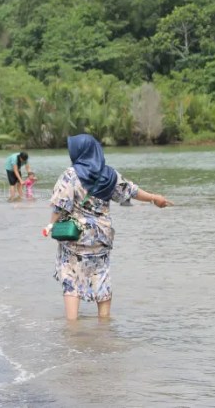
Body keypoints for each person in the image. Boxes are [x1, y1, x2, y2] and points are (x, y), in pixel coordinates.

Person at [43, 134, 173, 320]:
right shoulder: (109, 175)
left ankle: (72, 327)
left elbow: (59, 205)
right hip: (101, 238)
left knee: (71, 279)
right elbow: (131, 190)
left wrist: (50, 225)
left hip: (75, 237)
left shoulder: (70, 175)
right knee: (101, 276)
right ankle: (104, 324)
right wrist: (154, 198)